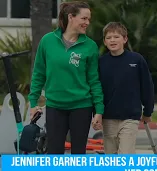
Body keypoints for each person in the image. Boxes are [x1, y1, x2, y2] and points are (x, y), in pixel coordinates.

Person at [28, 1, 104, 154]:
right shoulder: (47, 41)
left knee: (78, 153)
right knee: (54, 151)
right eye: (84, 18)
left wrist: (99, 110)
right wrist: (33, 102)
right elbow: (38, 74)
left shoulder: (90, 47)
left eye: (88, 19)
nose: (87, 23)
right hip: (55, 106)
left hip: (81, 107)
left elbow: (94, 80)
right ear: (71, 17)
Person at [97, 22, 154, 154]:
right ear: (105, 42)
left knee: (126, 155)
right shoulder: (101, 63)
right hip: (108, 118)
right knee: (110, 157)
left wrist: (148, 111)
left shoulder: (137, 60)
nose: (112, 40)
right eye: (109, 37)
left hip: (130, 117)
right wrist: (97, 113)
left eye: (116, 37)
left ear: (125, 39)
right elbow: (97, 90)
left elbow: (147, 86)